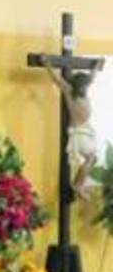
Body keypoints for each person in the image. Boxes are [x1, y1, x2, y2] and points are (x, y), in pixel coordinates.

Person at [42, 61, 105, 199]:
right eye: (84, 86)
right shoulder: (70, 92)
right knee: (91, 158)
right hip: (79, 132)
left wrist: (95, 67)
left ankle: (77, 184)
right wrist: (47, 63)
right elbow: (56, 79)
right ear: (78, 85)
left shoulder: (82, 91)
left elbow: (91, 79)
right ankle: (78, 185)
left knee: (92, 159)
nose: (86, 88)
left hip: (85, 130)